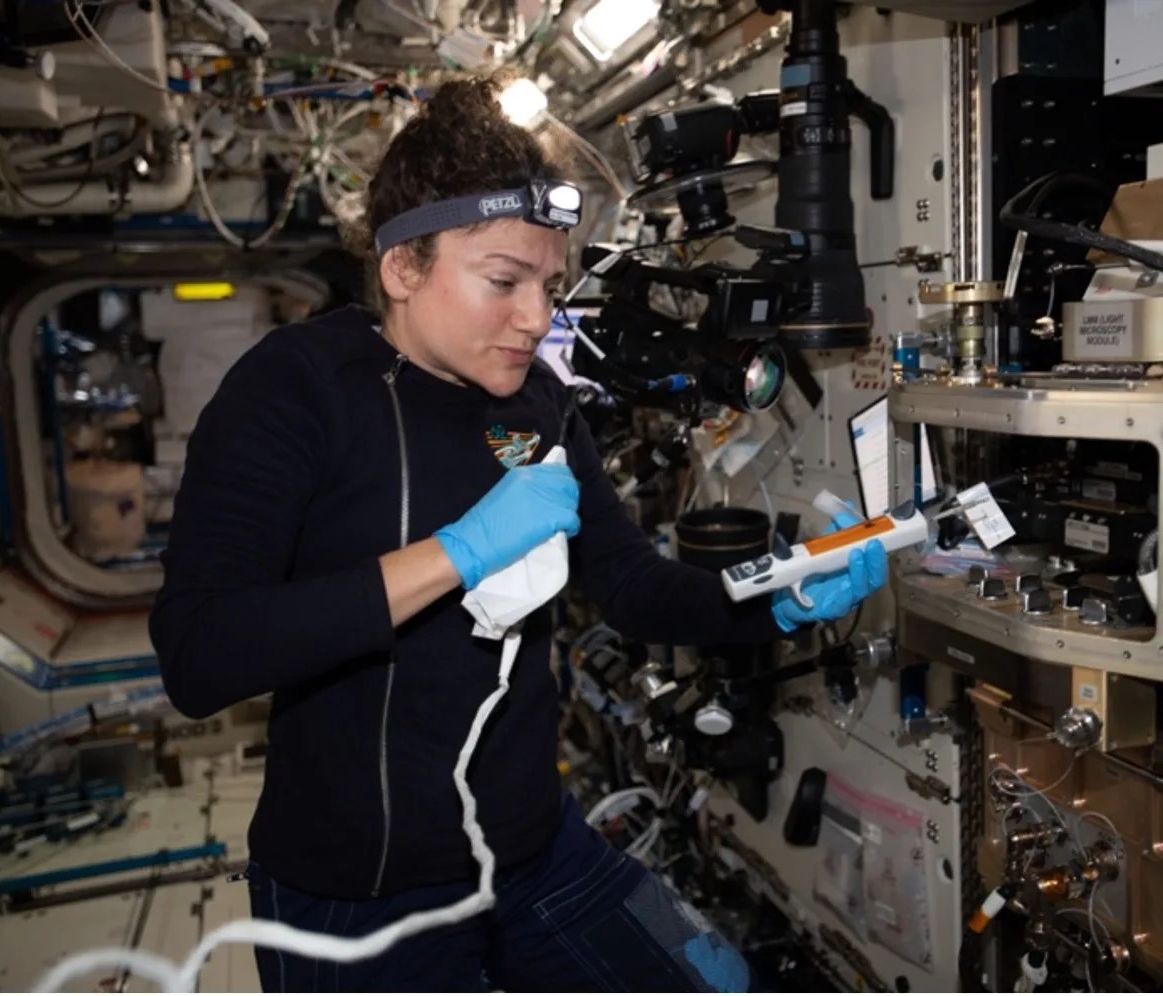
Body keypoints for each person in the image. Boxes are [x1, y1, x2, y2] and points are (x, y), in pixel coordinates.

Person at [150, 76, 887, 994]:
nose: (536, 318)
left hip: (532, 848)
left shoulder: (538, 401)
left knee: (715, 982)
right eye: (503, 281)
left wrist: (772, 600)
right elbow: (200, 655)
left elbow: (624, 582)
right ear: (403, 268)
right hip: (357, 896)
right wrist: (457, 555)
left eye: (547, 283)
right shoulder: (294, 392)